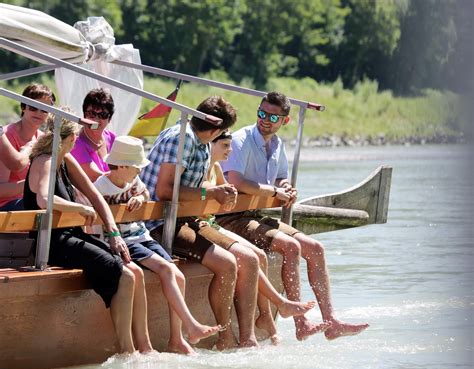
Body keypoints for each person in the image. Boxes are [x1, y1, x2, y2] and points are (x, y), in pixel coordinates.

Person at [218, 91, 369, 341]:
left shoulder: (277, 145)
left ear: (284, 121)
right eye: (261, 113)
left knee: (316, 248)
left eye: (272, 116)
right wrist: (275, 191)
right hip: (231, 218)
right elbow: (236, 180)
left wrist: (285, 186)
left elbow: (280, 176)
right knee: (290, 247)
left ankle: (331, 321)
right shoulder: (241, 139)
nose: (264, 119)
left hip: (256, 215)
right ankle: (302, 323)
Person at [24, 112, 153, 355]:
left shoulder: (66, 159)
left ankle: (137, 349)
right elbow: (43, 199)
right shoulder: (45, 160)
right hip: (51, 242)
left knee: (129, 272)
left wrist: (114, 235)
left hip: (70, 235)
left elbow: (96, 197)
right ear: (73, 138)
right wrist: (80, 208)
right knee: (123, 274)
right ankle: (127, 351)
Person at [141, 96, 259, 350]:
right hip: (159, 222)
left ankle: (248, 338)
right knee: (227, 264)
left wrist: (219, 189)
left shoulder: (203, 142)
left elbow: (195, 186)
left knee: (249, 258)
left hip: (187, 218)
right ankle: (225, 338)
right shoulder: (180, 139)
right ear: (216, 130)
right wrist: (209, 194)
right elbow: (165, 190)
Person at [94, 135, 221, 355]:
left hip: (141, 235)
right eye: (137, 168)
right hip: (124, 241)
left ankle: (177, 337)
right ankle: (192, 325)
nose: (140, 172)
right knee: (165, 269)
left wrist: (141, 199)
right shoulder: (101, 186)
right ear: (122, 166)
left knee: (177, 274)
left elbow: (144, 191)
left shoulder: (132, 180)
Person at [203, 131, 317, 344]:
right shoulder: (201, 167)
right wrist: (220, 192)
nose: (230, 150)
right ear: (211, 144)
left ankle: (268, 317)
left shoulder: (217, 168)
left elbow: (228, 195)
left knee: (260, 257)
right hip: (209, 224)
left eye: (230, 145)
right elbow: (215, 192)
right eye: (225, 146)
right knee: (251, 258)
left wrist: (230, 194)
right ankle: (273, 310)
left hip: (216, 221)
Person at [0, 84, 55, 211]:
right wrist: (33, 184)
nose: (39, 113)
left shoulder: (42, 138)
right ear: (23, 107)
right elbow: (1, 190)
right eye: (34, 107)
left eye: (44, 109)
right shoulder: (7, 136)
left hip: (28, 200)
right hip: (6, 205)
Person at [70, 88, 117, 182]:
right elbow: (95, 176)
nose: (95, 119)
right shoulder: (75, 142)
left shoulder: (112, 138)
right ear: (84, 115)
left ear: (110, 118)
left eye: (102, 115)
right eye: (91, 113)